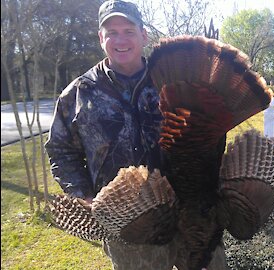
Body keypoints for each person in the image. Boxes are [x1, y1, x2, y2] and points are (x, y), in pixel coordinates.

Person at [45, 1, 227, 269]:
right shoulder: (77, 94)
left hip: (191, 211)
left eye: (129, 31)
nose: (121, 40)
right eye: (112, 32)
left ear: (144, 35)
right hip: (128, 223)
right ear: (100, 38)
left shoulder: (173, 81)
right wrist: (85, 196)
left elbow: (210, 135)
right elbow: (60, 151)